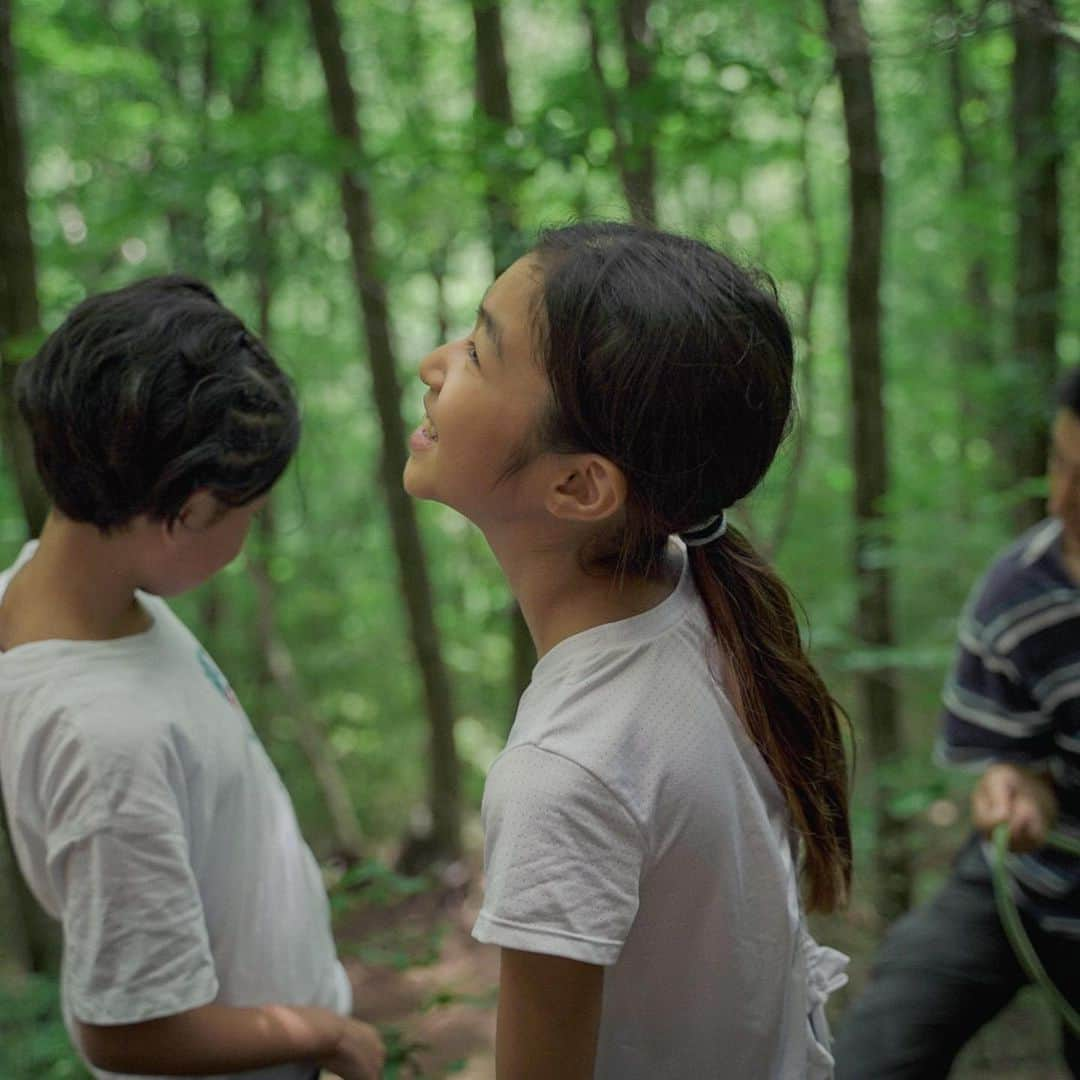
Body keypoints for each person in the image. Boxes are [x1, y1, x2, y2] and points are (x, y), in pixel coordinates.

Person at [403, 222, 852, 1079]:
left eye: (477, 354)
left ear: (579, 486)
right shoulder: (690, 593)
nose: (433, 361)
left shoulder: (564, 774)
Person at [0, 276, 384, 1080]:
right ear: (190, 512)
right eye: (247, 512)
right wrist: (325, 1033)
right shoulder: (105, 741)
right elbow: (129, 1028)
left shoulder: (62, 588)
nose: (248, 532)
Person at [834, 369, 1080, 1079]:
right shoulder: (1020, 593)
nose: (1061, 501)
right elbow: (1024, 770)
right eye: (1059, 464)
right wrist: (1014, 793)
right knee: (876, 1049)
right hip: (1028, 883)